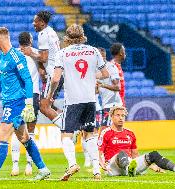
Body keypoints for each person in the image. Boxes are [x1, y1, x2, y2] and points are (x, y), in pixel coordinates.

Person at [0, 27, 50, 183]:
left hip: (16, 102)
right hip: (9, 101)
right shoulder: (3, 56)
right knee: (24, 137)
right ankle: (43, 169)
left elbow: (27, 79)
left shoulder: (16, 56)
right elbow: (3, 79)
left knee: (2, 135)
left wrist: (28, 103)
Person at [47, 24, 109, 181]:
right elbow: (105, 73)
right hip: (90, 100)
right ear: (83, 36)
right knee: (90, 134)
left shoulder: (62, 53)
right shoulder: (94, 51)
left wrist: (50, 95)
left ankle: (73, 164)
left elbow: (55, 78)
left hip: (73, 100)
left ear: (67, 38)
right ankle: (96, 171)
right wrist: (90, 77)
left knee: (66, 135)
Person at [98, 106, 175, 177]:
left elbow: (135, 155)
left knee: (153, 154)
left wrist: (151, 166)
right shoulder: (106, 132)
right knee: (122, 153)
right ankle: (130, 169)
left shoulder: (130, 133)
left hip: (130, 164)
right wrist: (101, 163)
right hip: (112, 167)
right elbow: (99, 152)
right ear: (111, 117)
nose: (121, 118)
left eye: (123, 115)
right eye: (118, 115)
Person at [22, 10, 63, 129]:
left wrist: (31, 53)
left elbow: (44, 58)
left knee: (44, 107)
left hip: (53, 74)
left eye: (35, 21)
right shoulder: (51, 32)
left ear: (42, 23)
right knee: (46, 105)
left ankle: (66, 128)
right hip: (58, 71)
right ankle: (65, 122)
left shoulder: (43, 34)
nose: (33, 24)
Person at [10, 32, 40, 176]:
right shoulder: (36, 53)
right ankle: (29, 166)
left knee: (17, 130)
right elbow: (44, 71)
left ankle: (15, 166)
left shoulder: (13, 53)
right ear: (30, 40)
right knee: (31, 131)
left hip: (17, 95)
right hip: (32, 94)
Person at [96, 47, 122, 130]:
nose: (102, 58)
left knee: (104, 129)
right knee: (108, 130)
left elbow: (117, 87)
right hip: (105, 103)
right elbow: (97, 91)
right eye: (100, 56)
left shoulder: (111, 67)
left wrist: (102, 85)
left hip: (113, 103)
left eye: (103, 56)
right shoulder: (96, 69)